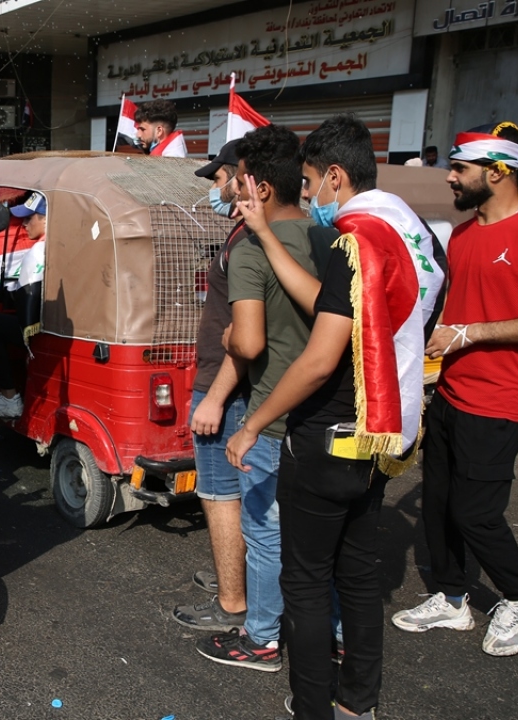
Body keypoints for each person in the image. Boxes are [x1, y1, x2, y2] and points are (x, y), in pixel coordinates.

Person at [229, 114, 444, 720]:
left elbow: (322, 358)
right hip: (378, 434)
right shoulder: (403, 236)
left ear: (335, 176)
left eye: (312, 182)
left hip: (325, 438)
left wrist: (252, 424)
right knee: (357, 575)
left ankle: (313, 709)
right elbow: (331, 307)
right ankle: (358, 705)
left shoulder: (357, 244)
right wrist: (268, 236)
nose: (310, 196)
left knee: (304, 582)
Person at [391, 121, 518, 657]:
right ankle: (451, 596)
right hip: (452, 393)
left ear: (498, 173)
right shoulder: (463, 234)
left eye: (460, 170)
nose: (450, 178)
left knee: (476, 512)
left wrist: (474, 333)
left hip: (502, 398)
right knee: (439, 506)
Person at [196, 125, 316, 675]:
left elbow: (247, 342)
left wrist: (225, 342)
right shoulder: (323, 235)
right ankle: (326, 634)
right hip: (318, 413)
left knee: (264, 532)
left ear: (261, 189)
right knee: (315, 539)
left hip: (269, 412)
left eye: (239, 183)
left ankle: (261, 637)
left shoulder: (251, 248)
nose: (234, 193)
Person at [172, 140, 250, 632]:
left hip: (226, 383)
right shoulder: (244, 233)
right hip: (227, 380)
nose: (215, 189)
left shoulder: (250, 242)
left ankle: (232, 603)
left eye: (220, 179)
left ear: (243, 178)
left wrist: (216, 396)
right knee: (236, 494)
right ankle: (233, 579)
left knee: (222, 493)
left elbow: (247, 337)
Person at [0, 191, 47, 419]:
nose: (23, 225)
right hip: (52, 323)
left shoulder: (39, 251)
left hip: (40, 331)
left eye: (29, 218)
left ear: (45, 219)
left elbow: (28, 308)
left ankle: (10, 397)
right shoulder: (59, 244)